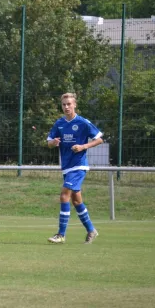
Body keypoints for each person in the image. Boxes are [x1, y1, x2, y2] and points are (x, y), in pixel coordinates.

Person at [46, 93, 103, 244]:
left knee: (64, 195)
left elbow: (100, 138)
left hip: (79, 165)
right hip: (66, 166)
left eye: (69, 104)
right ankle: (91, 230)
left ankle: (61, 234)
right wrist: (54, 142)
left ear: (75, 105)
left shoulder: (83, 122)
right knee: (76, 201)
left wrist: (83, 146)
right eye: (64, 104)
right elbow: (49, 142)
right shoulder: (59, 124)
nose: (66, 107)